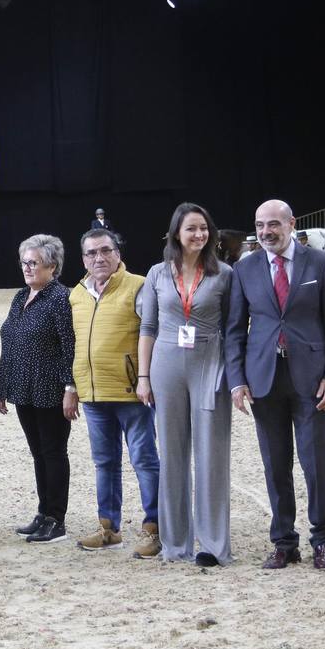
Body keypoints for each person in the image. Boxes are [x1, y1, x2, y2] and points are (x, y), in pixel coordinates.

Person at [226, 199, 325, 571]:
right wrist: (237, 381)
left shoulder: (320, 263)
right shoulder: (244, 270)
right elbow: (234, 332)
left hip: (311, 380)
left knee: (315, 465)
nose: (266, 232)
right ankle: (283, 542)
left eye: (274, 224)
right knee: (275, 465)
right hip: (264, 380)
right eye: (260, 225)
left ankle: (322, 542)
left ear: (291, 223)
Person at [137, 203, 234, 567]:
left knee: (211, 453)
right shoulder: (158, 274)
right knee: (173, 454)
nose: (199, 235)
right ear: (177, 232)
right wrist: (143, 377)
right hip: (165, 363)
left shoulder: (223, 274)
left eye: (204, 228)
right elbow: (147, 328)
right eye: (191, 228)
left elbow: (234, 328)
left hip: (210, 361)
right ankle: (175, 542)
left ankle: (212, 544)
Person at [68, 228, 160, 558]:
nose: (99, 258)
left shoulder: (139, 286)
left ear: (117, 253)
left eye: (105, 250)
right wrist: (73, 386)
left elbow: (153, 334)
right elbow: (74, 345)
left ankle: (154, 528)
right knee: (104, 463)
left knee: (144, 461)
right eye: (91, 253)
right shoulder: (76, 294)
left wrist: (145, 378)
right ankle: (109, 528)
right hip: (93, 394)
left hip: (131, 393)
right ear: (83, 259)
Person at [0, 234, 76, 544]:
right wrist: (3, 384)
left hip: (50, 388)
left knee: (54, 452)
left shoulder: (60, 299)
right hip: (23, 388)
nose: (27, 268)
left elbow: (71, 346)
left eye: (34, 263)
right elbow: (10, 342)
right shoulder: (20, 296)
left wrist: (71, 387)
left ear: (52, 267)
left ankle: (57, 518)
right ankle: (43, 513)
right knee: (38, 453)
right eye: (24, 262)